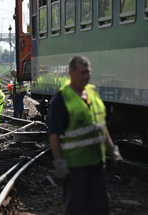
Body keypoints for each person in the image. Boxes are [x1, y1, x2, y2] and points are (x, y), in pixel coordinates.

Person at [48, 56, 123, 215]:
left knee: (101, 208)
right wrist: (60, 163)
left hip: (97, 163)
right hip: (75, 166)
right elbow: (54, 134)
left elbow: (101, 125)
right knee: (76, 208)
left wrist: (112, 150)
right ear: (71, 73)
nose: (86, 76)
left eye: (88, 72)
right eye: (82, 73)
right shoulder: (61, 99)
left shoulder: (93, 93)